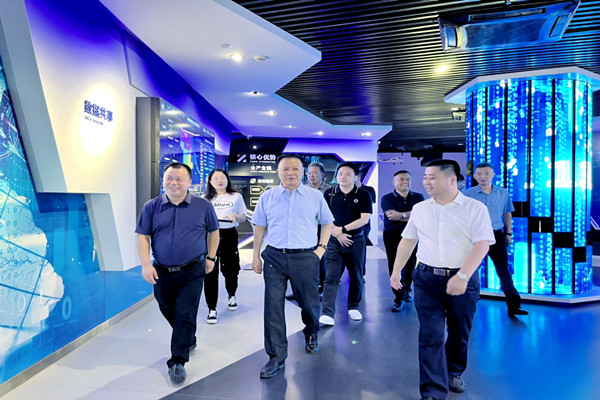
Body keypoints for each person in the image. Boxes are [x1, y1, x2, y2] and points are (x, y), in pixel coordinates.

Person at [390, 159, 494, 400]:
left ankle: (454, 371)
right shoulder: (420, 209)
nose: (426, 182)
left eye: (432, 177)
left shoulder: (475, 208)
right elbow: (408, 240)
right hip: (426, 279)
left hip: (462, 279)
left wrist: (463, 276)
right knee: (430, 334)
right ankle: (433, 391)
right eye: (425, 177)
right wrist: (396, 271)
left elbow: (482, 245)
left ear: (452, 179)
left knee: (459, 331)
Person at [136, 162, 220, 384]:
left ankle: (177, 361)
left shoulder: (203, 206)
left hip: (192, 268)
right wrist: (145, 264)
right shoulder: (151, 207)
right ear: (163, 181)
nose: (173, 183)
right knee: (166, 307)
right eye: (169, 179)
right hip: (162, 270)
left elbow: (214, 232)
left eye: (179, 179)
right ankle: (187, 336)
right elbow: (143, 237)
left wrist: (211, 258)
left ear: (189, 182)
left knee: (185, 312)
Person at [251, 154, 333, 379]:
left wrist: (320, 250)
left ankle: (311, 333)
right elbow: (259, 226)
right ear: (278, 172)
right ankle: (276, 356)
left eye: (295, 169)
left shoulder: (315, 196)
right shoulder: (267, 197)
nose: (290, 173)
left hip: (305, 257)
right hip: (274, 258)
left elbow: (327, 222)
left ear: (303, 171)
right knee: (273, 306)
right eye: (285, 169)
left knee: (309, 303)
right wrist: (256, 255)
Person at [463, 162, 528, 318]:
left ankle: (514, 306)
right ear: (475, 176)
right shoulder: (467, 194)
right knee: (471, 271)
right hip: (475, 237)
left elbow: (507, 214)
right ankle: (466, 305)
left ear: (493, 175)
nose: (483, 177)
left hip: (496, 236)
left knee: (503, 271)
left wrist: (508, 233)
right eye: (479, 174)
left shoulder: (502, 192)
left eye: (486, 173)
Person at [320, 163, 372, 325]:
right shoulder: (329, 193)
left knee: (356, 275)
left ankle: (353, 306)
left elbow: (364, 219)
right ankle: (328, 313)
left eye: (348, 174)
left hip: (355, 240)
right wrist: (337, 233)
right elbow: (325, 216)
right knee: (331, 276)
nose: (343, 177)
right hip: (333, 241)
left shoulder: (363, 194)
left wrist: (342, 230)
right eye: (340, 173)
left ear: (355, 177)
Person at [202, 168, 248, 324]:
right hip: (209, 236)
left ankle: (231, 295)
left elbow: (243, 217)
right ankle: (212, 308)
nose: (220, 181)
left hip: (229, 235)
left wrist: (235, 216)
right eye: (216, 178)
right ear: (210, 181)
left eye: (222, 178)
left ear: (227, 179)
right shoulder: (204, 199)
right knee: (210, 271)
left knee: (231, 270)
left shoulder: (236, 196)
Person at [381, 170, 424, 311]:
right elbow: (391, 216)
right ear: (394, 182)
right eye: (401, 179)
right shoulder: (387, 198)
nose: (404, 182)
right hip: (393, 235)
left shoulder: (418, 197)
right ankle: (399, 298)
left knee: (411, 264)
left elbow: (420, 215)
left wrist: (401, 215)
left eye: (407, 179)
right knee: (395, 265)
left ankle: (407, 290)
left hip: (412, 235)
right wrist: (410, 215)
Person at [306, 161, 332, 294]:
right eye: (309, 173)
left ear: (322, 174)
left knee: (322, 258)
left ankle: (321, 288)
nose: (311, 176)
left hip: (323, 229)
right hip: (306, 229)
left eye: (315, 173)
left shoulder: (330, 190)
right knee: (305, 259)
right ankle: (303, 289)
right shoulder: (302, 189)